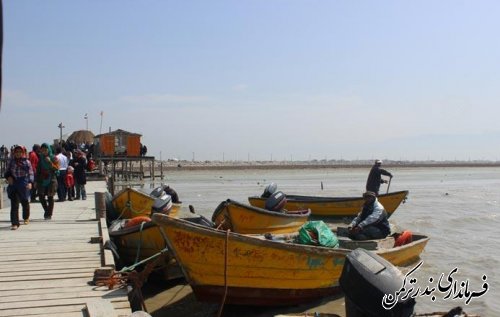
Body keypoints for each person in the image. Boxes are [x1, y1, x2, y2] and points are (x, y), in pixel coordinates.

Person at [4, 145, 34, 230]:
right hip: (14, 184)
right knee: (14, 204)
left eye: (20, 152)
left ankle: (26, 217)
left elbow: (31, 173)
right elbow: (7, 171)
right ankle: (15, 223)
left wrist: (30, 182)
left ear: (23, 152)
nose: (18, 153)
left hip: (23, 184)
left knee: (24, 201)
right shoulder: (11, 161)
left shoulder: (27, 162)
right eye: (16, 152)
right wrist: (8, 177)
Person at [35, 143, 59, 220]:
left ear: (49, 150)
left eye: (45, 150)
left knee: (50, 196)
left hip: (51, 179)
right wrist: (35, 181)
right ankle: (47, 210)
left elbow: (57, 168)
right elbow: (37, 170)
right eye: (42, 150)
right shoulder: (40, 159)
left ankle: (49, 214)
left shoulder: (54, 158)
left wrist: (50, 162)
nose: (44, 152)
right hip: (42, 179)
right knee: (41, 196)